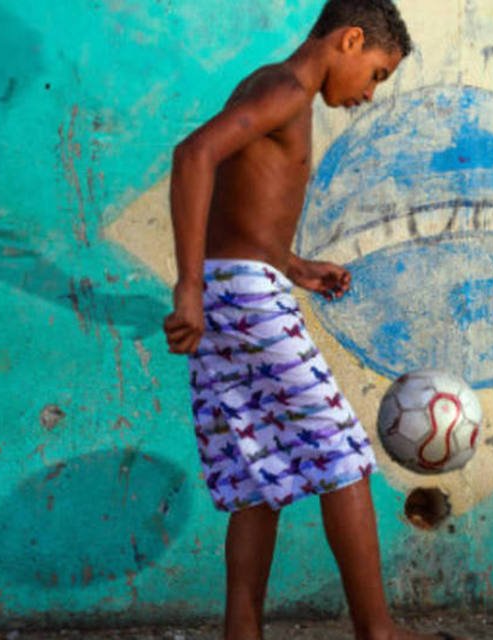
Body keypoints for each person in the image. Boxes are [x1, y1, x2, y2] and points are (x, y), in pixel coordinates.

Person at [162, 1, 459, 639]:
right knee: (344, 453)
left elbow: (244, 212)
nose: (371, 93)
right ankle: (376, 632)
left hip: (235, 285)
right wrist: (188, 285)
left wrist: (293, 266)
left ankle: (241, 633)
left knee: (254, 476)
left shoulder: (278, 88)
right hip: (240, 295)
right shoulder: (289, 87)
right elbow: (194, 157)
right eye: (377, 73)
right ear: (350, 40)